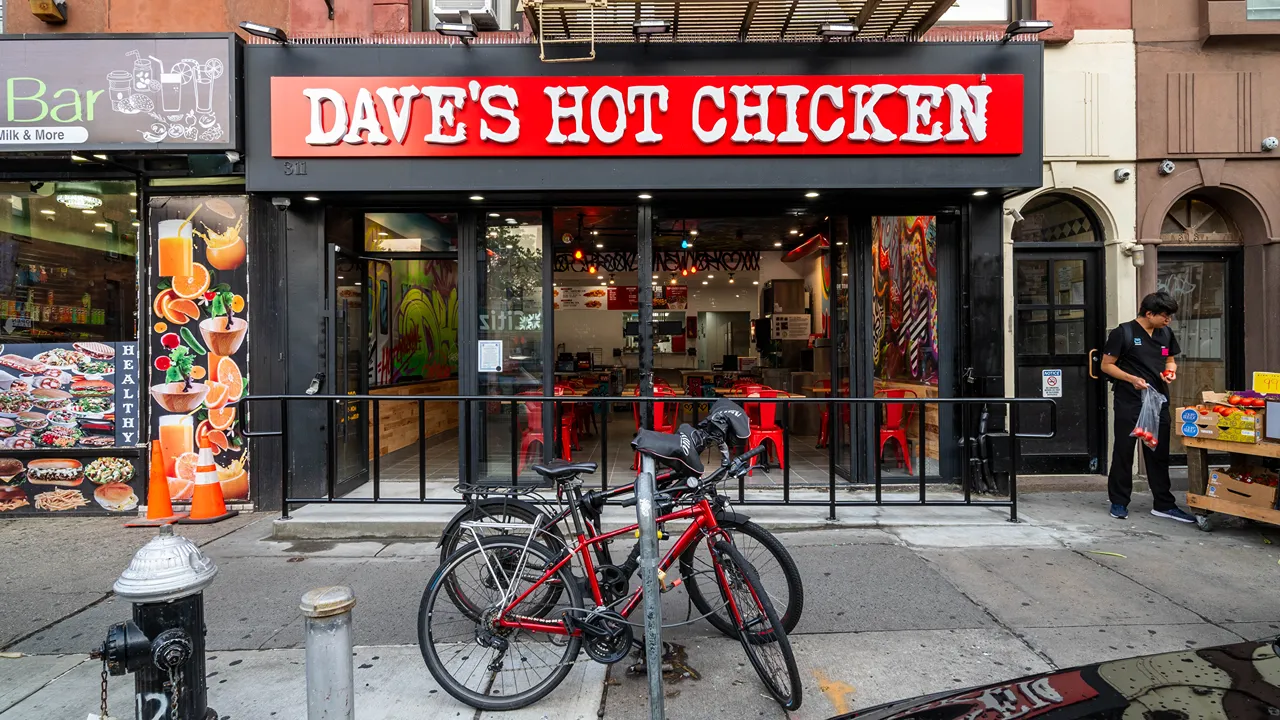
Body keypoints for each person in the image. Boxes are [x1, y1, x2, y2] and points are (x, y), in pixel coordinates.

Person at [1099, 291, 1196, 523]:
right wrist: (1131, 379)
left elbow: (1170, 359)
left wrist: (1171, 371)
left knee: (1158, 452)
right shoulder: (1123, 333)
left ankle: (1163, 503)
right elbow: (1106, 365)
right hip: (1129, 400)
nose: (1168, 320)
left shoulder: (1166, 333)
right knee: (1124, 450)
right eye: (1164, 315)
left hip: (1158, 400)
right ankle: (1119, 501)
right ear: (1149, 313)